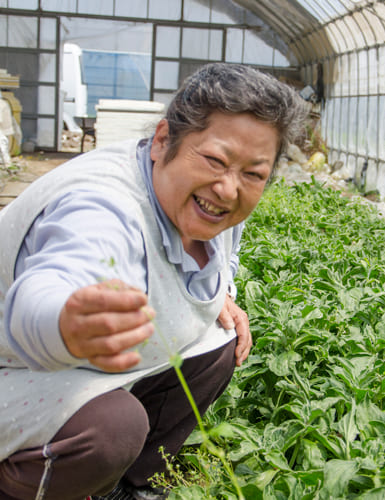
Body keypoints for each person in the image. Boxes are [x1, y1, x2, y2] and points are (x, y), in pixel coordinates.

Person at [0, 63, 305, 499]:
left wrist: (224, 293)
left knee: (219, 339)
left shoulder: (212, 202)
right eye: (215, 160)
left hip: (66, 367)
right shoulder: (102, 205)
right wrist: (66, 322)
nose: (228, 189)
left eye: (253, 174)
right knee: (111, 426)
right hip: (15, 366)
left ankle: (128, 487)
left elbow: (227, 254)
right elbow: (49, 288)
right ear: (163, 141)